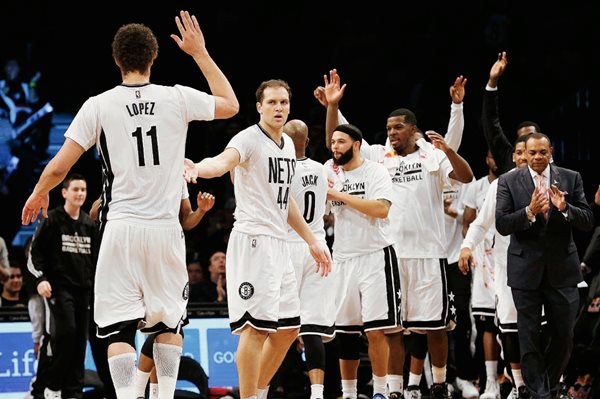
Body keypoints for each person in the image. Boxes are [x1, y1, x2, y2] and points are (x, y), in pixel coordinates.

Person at [21, 11, 239, 399]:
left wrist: (39, 191)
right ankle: (165, 395)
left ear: (117, 60)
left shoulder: (99, 104)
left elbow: (60, 167)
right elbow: (230, 104)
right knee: (169, 325)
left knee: (117, 330)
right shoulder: (176, 96)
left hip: (120, 227)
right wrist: (200, 54)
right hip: (164, 229)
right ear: (153, 58)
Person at [323, 69, 473, 399]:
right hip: (391, 254)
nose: (391, 132)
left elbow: (464, 175)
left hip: (429, 252)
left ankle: (439, 384)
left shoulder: (432, 155)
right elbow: (343, 135)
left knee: (435, 327)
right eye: (389, 127)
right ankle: (396, 389)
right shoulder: (379, 156)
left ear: (413, 129)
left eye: (398, 127)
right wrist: (332, 106)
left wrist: (450, 141)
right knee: (395, 329)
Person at [183, 78, 332, 399]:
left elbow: (286, 201)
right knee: (255, 330)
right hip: (253, 242)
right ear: (259, 107)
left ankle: (256, 392)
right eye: (273, 102)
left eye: (284, 102)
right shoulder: (248, 139)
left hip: (280, 244)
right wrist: (198, 167)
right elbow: (222, 162)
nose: (279, 108)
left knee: (290, 328)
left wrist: (311, 239)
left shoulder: (288, 145)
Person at [495, 132, 594, 399]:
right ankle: (541, 394)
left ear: (551, 152)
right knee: (528, 338)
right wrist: (529, 212)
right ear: (523, 154)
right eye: (532, 153)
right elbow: (502, 224)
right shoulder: (508, 181)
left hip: (563, 270)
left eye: (542, 152)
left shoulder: (571, 178)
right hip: (525, 271)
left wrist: (565, 209)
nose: (537, 157)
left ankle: (546, 388)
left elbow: (587, 220)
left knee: (564, 336)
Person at [324, 123, 398, 399]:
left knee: (376, 329)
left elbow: (381, 209)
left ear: (356, 145)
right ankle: (349, 393)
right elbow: (321, 210)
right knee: (346, 333)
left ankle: (380, 392)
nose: (335, 147)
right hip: (343, 258)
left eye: (341, 142)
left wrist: (339, 196)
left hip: (375, 256)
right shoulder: (328, 172)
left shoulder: (376, 171)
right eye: (332, 142)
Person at [459, 136, 531, 399]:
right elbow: (478, 222)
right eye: (521, 152)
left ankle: (542, 382)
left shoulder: (553, 183)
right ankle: (514, 385)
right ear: (513, 156)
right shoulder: (500, 185)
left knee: (539, 331)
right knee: (505, 327)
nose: (526, 157)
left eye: (532, 152)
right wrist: (467, 246)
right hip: (502, 265)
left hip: (540, 269)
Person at [28, 173, 97, 399]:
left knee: (79, 341)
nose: (80, 194)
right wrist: (41, 279)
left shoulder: (89, 224)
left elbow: (97, 262)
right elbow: (34, 255)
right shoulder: (51, 220)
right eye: (75, 189)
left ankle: (73, 392)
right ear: (64, 192)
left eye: (83, 190)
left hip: (84, 292)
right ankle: (49, 386)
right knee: (63, 334)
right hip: (58, 289)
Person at [284, 118, 336, 399]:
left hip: (289, 245)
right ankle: (317, 393)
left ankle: (271, 389)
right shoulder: (321, 168)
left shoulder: (280, 168)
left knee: (281, 326)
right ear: (307, 141)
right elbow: (328, 210)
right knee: (312, 327)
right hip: (318, 246)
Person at [482, 51, 540, 175]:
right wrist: (493, 81)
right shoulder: (508, 159)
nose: (527, 140)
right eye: (522, 139)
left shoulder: (558, 173)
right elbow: (491, 124)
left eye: (530, 135)